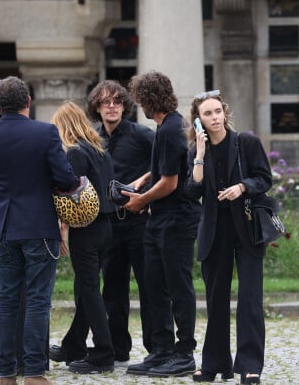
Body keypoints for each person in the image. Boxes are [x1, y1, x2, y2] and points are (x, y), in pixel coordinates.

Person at [0, 76, 79, 385]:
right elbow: (66, 179)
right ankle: (34, 372)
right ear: (28, 102)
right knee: (37, 301)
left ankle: (6, 373)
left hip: (4, 229)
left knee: (6, 301)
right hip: (39, 226)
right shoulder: (45, 132)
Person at [185, 90, 272, 384]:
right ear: (198, 121)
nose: (214, 118)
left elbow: (264, 178)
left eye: (217, 111)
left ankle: (250, 365)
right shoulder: (196, 151)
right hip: (214, 231)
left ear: (225, 112)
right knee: (216, 299)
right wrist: (198, 155)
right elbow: (192, 191)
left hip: (246, 228)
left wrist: (243, 187)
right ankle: (214, 363)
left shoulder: (245, 142)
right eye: (207, 114)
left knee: (249, 298)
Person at [124, 71, 201, 377]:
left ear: (147, 99)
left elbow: (170, 183)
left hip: (176, 221)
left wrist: (139, 201)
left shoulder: (170, 129)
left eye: (140, 98)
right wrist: (143, 179)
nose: (139, 104)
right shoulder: (168, 126)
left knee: (178, 286)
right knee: (154, 285)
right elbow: (165, 168)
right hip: (160, 221)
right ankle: (161, 351)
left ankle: (184, 354)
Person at [86, 80, 155, 366]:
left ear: (125, 105)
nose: (111, 106)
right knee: (112, 290)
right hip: (109, 224)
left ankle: (156, 350)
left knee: (149, 287)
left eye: (116, 101)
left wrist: (147, 193)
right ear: (97, 108)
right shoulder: (93, 140)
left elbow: (166, 165)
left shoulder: (141, 134)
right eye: (105, 102)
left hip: (139, 222)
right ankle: (117, 349)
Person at [48, 101, 116, 374]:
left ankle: (103, 353)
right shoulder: (100, 150)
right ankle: (73, 344)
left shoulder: (75, 153)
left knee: (88, 290)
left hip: (86, 229)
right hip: (105, 227)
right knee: (86, 290)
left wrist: (62, 230)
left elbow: (72, 197)